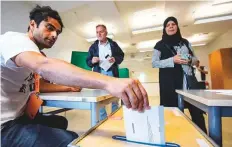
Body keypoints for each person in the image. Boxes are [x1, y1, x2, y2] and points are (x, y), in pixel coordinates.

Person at [1, 5, 149, 147]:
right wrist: (110, 82)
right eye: (50, 28)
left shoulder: (34, 53)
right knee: (71, 139)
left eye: (57, 33)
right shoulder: (15, 40)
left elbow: (40, 85)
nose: (54, 35)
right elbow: (45, 66)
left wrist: (68, 87)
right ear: (33, 24)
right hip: (4, 126)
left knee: (61, 122)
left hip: (20, 117)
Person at [152, 16, 207, 133]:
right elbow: (154, 63)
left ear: (177, 26)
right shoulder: (159, 45)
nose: (171, 26)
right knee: (172, 114)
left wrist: (190, 60)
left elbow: (196, 60)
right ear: (164, 29)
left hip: (188, 82)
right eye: (168, 25)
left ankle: (204, 140)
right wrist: (173, 60)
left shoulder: (185, 43)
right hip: (169, 84)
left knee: (197, 113)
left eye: (173, 24)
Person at [86, 24, 124, 120]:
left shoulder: (113, 44)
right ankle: (103, 118)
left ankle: (114, 115)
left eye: (101, 31)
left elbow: (121, 55)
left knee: (114, 96)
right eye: (97, 32)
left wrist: (115, 59)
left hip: (112, 73)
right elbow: (88, 62)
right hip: (99, 73)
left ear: (106, 33)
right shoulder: (93, 47)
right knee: (99, 96)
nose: (99, 34)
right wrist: (92, 61)